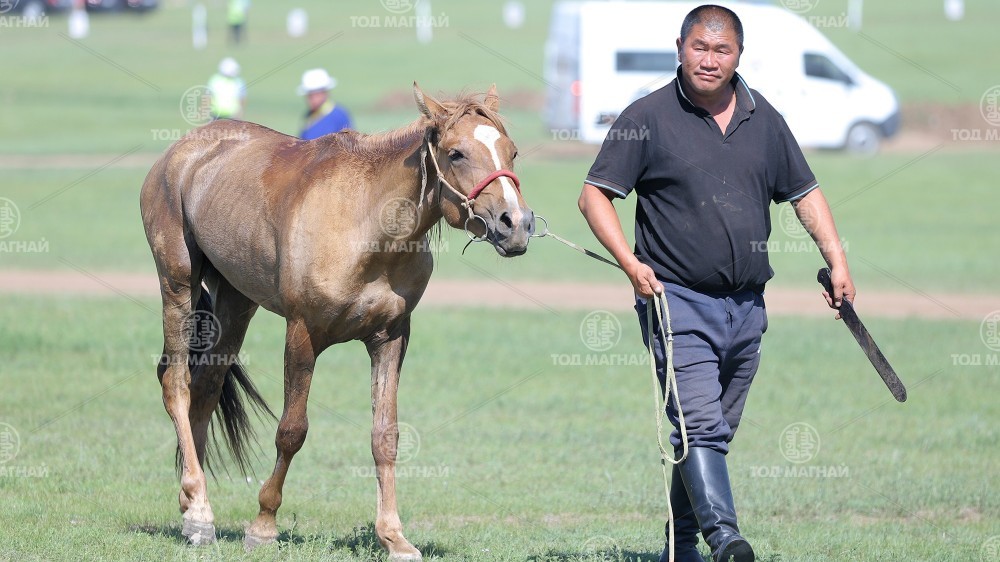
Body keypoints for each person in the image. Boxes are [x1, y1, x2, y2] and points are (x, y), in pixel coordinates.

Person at [577, 5, 855, 562]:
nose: (709, 60)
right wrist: (633, 266)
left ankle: (680, 547)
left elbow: (804, 192)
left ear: (738, 56)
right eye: (699, 47)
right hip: (674, 298)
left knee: (709, 433)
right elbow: (594, 195)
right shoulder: (647, 117)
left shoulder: (764, 118)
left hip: (747, 307)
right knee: (700, 424)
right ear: (679, 46)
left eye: (721, 50)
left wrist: (837, 260)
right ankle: (725, 539)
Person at [298, 68, 353, 140]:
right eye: (309, 95)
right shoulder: (309, 116)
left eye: (315, 94)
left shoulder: (338, 115)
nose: (312, 99)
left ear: (325, 93)